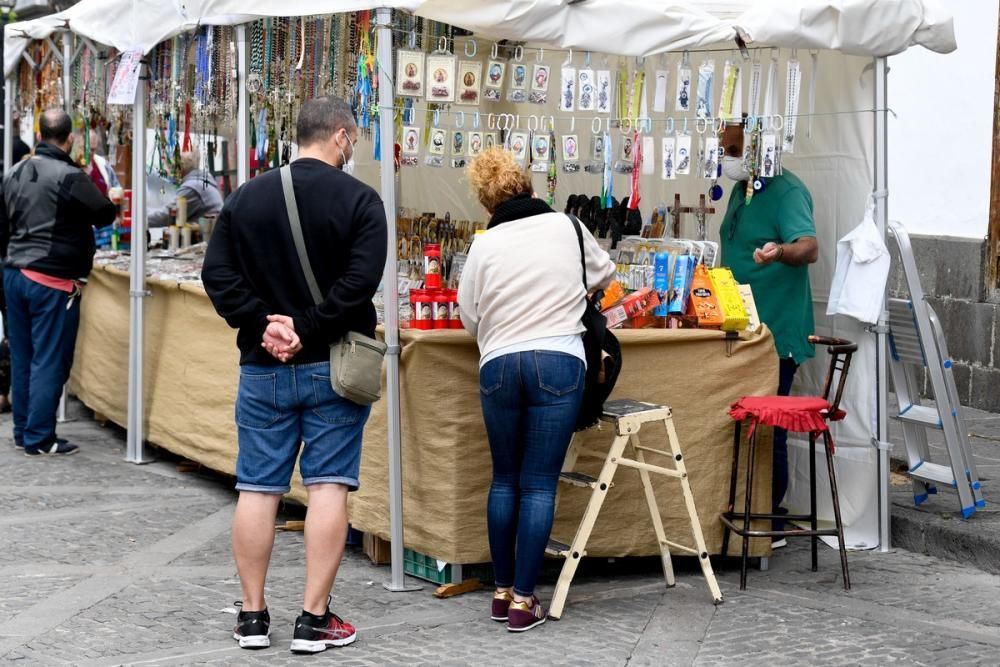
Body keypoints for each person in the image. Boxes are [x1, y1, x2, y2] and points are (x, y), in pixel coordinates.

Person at [201, 97, 387, 654]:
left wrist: (264, 325)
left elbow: (217, 274)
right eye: (352, 137)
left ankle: (253, 616)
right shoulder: (361, 201)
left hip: (264, 368)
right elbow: (360, 282)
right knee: (329, 484)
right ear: (340, 136)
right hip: (334, 365)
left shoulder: (247, 197)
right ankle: (312, 619)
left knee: (257, 488)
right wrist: (307, 327)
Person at [458, 147, 616, 632]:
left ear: (486, 203)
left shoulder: (484, 244)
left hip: (500, 362)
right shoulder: (568, 227)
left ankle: (502, 592)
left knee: (505, 479)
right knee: (539, 483)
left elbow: (469, 317)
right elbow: (606, 275)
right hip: (557, 360)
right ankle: (526, 600)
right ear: (529, 186)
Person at [718, 120, 819, 546]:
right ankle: (745, 503)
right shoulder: (744, 190)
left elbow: (809, 246)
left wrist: (780, 251)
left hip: (775, 330)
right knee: (746, 418)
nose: (728, 156)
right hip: (744, 324)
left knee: (770, 421)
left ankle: (772, 517)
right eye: (724, 148)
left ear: (759, 149)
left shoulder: (788, 191)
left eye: (735, 148)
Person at [0, 108, 116, 455]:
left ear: (39, 134)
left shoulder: (15, 171)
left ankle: (24, 431)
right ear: (69, 139)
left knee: (23, 356)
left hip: (14, 273)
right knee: (49, 359)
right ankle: (39, 437)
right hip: (50, 279)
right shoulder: (69, 175)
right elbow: (104, 213)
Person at [149, 151, 224, 227]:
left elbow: (166, 216)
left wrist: (139, 219)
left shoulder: (192, 187)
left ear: (180, 169)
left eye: (171, 168)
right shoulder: (201, 183)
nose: (169, 173)